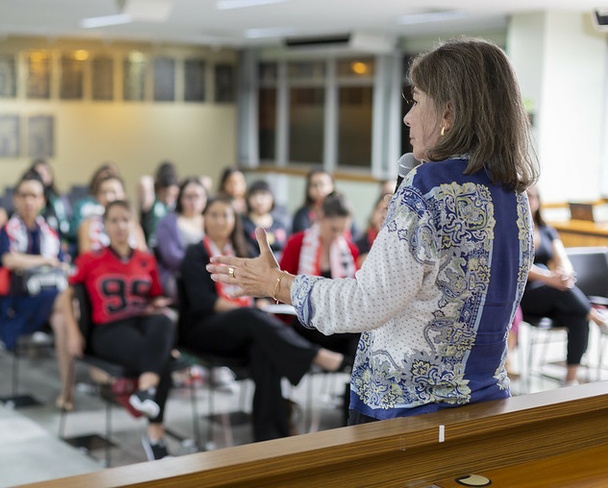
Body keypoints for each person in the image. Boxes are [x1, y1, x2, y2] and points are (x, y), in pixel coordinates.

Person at [207, 38, 539, 425]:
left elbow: (366, 304)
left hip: (410, 408)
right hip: (484, 401)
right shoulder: (513, 193)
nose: (408, 118)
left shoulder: (427, 187)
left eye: (416, 102)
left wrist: (277, 283)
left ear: (448, 112)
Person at [179, 196, 348, 442]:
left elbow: (257, 292)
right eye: (213, 214)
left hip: (244, 327)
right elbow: (203, 303)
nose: (219, 220)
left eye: (225, 215)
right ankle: (314, 355)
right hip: (202, 328)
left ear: (234, 220)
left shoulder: (242, 250)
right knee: (251, 317)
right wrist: (250, 309)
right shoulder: (195, 253)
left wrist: (259, 304)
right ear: (204, 218)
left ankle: (270, 436)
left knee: (263, 349)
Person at [59, 200, 176, 460]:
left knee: (165, 321)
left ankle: (145, 390)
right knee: (162, 359)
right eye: (114, 220)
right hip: (107, 330)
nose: (121, 225)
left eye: (126, 219)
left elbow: (155, 297)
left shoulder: (146, 259)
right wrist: (73, 332)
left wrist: (160, 305)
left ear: (134, 224)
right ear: (105, 226)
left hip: (141, 323)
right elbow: (66, 296)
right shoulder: (90, 259)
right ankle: (155, 435)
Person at [520, 185, 608, 385]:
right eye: (524, 196)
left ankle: (570, 379)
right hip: (525, 296)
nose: (528, 200)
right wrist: (549, 278)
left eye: (532, 196)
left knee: (577, 315)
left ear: (539, 201)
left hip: (552, 291)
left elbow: (563, 259)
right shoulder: (512, 231)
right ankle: (599, 319)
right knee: (559, 288)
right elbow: (519, 266)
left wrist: (564, 274)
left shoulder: (547, 231)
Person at [0, 172, 69, 353]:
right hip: (18, 299)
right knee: (65, 302)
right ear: (15, 199)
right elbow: (9, 260)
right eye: (23, 195)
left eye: (34, 196)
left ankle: (67, 377)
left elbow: (60, 264)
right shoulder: (7, 229)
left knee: (61, 317)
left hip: (48, 292)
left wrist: (52, 263)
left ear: (42, 200)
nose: (29, 201)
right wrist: (45, 261)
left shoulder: (49, 232)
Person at [279, 191, 361, 357]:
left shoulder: (350, 250)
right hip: (304, 321)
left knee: (362, 333)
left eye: (343, 230)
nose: (338, 235)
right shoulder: (297, 243)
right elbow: (281, 283)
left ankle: (351, 377)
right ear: (320, 217)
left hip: (336, 322)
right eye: (333, 229)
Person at [154, 177, 207, 300]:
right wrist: (202, 267)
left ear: (205, 199)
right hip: (178, 274)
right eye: (188, 196)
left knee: (232, 276)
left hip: (213, 271)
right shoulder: (167, 222)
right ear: (180, 199)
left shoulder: (212, 220)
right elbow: (171, 257)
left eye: (197, 196)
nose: (193, 201)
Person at [77, 174, 147, 254]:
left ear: (124, 195)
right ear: (97, 197)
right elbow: (85, 258)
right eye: (104, 192)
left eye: (113, 192)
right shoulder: (88, 225)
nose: (108, 197)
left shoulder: (133, 224)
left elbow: (142, 255)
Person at [28, 159, 72, 249]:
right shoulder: (27, 198)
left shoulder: (59, 198)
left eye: (46, 173)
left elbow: (67, 221)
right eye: (40, 174)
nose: (44, 177)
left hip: (60, 240)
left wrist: (65, 241)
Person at [241, 179, 289, 259]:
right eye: (254, 195)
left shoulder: (280, 224)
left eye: (263, 195)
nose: (259, 200)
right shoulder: (243, 224)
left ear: (272, 198)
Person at [138, 161, 179, 250]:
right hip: (152, 247)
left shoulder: (176, 206)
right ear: (158, 190)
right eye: (165, 195)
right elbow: (144, 181)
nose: (168, 199)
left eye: (173, 196)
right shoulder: (151, 203)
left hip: (170, 248)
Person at [291, 168, 334, 233]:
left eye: (322, 184)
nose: (319, 189)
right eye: (314, 185)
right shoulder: (302, 213)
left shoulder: (340, 210)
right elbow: (300, 235)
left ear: (331, 186)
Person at [354, 192, 389, 266]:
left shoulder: (397, 247)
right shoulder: (358, 245)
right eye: (380, 209)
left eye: (388, 210)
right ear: (373, 213)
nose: (383, 215)